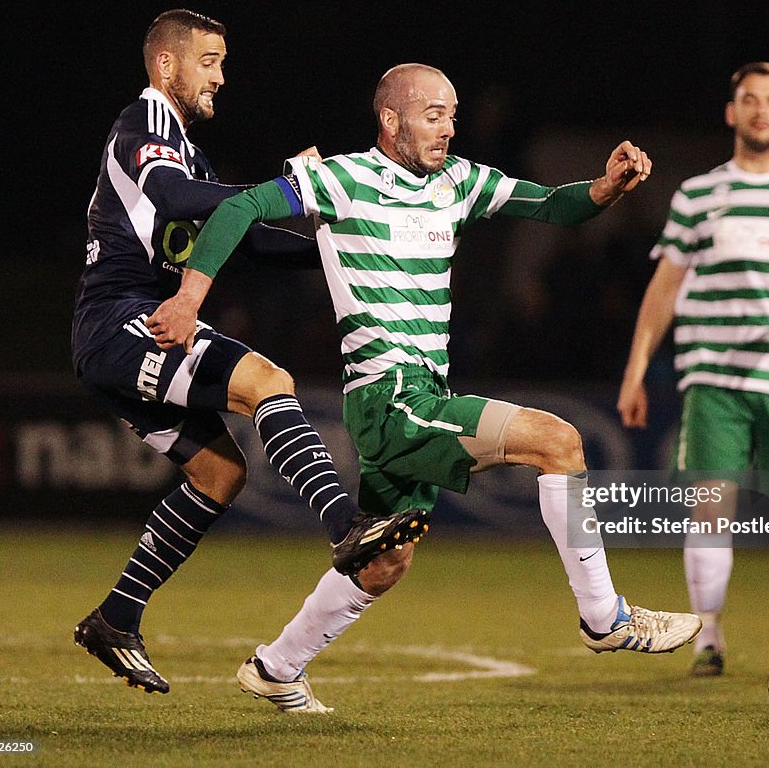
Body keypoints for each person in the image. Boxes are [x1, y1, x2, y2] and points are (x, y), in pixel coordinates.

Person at [148, 63, 703, 713]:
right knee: (559, 442)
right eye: (433, 114)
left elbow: (553, 205)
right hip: (391, 397)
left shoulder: (459, 182)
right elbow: (243, 206)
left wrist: (605, 188)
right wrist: (190, 297)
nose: (448, 127)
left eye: (453, 114)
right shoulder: (341, 178)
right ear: (391, 120)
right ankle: (606, 619)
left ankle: (277, 665)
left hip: (418, 396)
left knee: (386, 561)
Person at [71, 10, 425, 697]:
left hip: (129, 331)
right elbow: (175, 199)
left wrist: (339, 255)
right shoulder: (142, 128)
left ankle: (117, 618)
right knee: (266, 378)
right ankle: (346, 527)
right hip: (126, 319)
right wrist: (289, 189)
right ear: (167, 65)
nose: (221, 77)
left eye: (223, 63)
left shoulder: (187, 151)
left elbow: (247, 239)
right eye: (209, 62)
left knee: (219, 474)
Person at [616, 62, 769, 676]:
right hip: (712, 378)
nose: (760, 110)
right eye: (749, 100)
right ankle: (709, 640)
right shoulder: (699, 194)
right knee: (708, 509)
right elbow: (665, 287)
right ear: (732, 112)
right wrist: (636, 367)